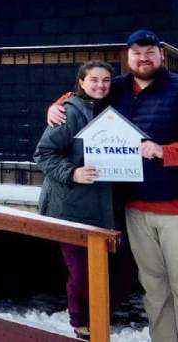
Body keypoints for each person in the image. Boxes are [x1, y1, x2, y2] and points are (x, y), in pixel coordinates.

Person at [48, 30, 178, 342]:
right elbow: (83, 93)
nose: (143, 59)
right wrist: (57, 105)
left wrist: (165, 151)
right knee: (155, 292)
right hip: (135, 209)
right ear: (128, 57)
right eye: (136, 54)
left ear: (161, 55)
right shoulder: (117, 89)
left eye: (149, 53)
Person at [34, 60, 135, 340]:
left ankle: (98, 321)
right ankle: (82, 327)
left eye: (105, 80)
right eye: (93, 80)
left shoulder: (115, 109)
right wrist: (73, 172)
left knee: (122, 274)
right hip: (73, 207)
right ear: (81, 82)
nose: (100, 85)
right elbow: (43, 154)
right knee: (82, 274)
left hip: (108, 207)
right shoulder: (69, 113)